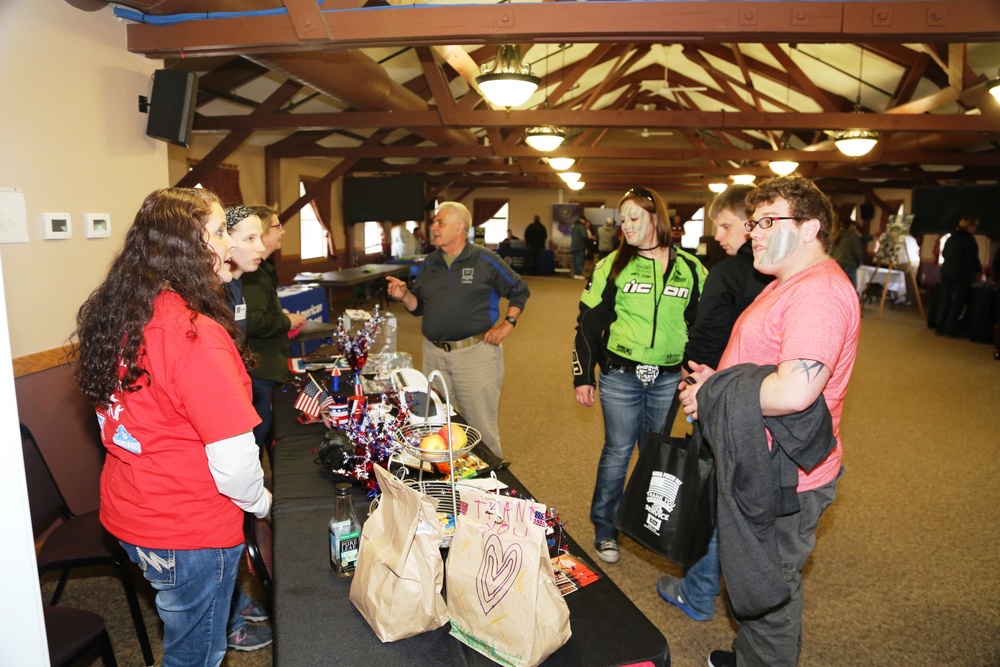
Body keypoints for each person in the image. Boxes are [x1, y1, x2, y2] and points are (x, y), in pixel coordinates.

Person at [73, 188, 272, 667]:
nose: (231, 243)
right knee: (197, 653)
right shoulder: (193, 334)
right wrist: (261, 505)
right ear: (187, 246)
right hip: (187, 529)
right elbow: (234, 461)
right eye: (222, 231)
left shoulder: (125, 310)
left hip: (131, 512)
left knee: (183, 627)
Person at [679, 175, 861, 667]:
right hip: (763, 459)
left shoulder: (817, 293)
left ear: (809, 229)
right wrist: (719, 377)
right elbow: (768, 365)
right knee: (757, 576)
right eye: (753, 222)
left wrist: (714, 391)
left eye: (766, 222)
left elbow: (796, 391)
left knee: (769, 589)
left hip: (786, 475)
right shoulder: (789, 281)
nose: (753, 232)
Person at [655, 184, 772, 622]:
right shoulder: (785, 277)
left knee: (715, 498)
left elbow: (704, 340)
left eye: (725, 226)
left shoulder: (725, 273)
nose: (718, 236)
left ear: (751, 223)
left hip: (720, 397)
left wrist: (689, 384)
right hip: (766, 403)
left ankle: (699, 591)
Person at [572, 186, 707, 565]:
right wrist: (583, 376)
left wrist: (695, 369)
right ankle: (604, 527)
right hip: (620, 376)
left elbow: (703, 325)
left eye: (635, 218)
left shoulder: (691, 269)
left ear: (655, 219)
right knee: (617, 452)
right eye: (622, 219)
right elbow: (586, 323)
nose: (626, 226)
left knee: (654, 456)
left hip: (667, 379)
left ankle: (645, 525)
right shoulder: (611, 265)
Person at [385, 201, 530, 458]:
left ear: (460, 227)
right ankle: (447, 484)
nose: (434, 227)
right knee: (436, 424)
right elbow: (418, 306)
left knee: (480, 428)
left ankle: (490, 489)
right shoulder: (430, 262)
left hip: (474, 356)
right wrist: (404, 294)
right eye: (434, 222)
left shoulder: (485, 259)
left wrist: (508, 325)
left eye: (440, 222)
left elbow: (519, 290)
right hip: (434, 355)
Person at [222, 205, 273, 651]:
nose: (261, 247)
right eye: (251, 238)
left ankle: (237, 600)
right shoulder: (211, 294)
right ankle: (229, 617)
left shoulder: (237, 283)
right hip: (218, 420)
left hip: (235, 403)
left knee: (235, 523)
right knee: (226, 521)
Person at [242, 205, 308, 456]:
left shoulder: (263, 269)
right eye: (277, 226)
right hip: (261, 367)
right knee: (258, 433)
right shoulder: (252, 275)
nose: (282, 232)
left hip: (267, 363)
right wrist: (286, 322)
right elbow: (254, 322)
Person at [934, 215, 981, 337]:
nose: (976, 228)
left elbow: (944, 253)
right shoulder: (969, 240)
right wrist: (977, 271)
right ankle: (949, 330)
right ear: (969, 226)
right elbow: (972, 259)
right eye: (975, 226)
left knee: (945, 300)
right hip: (960, 273)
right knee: (956, 302)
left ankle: (940, 327)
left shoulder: (951, 238)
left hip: (946, 270)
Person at [831, 218, 863, 289]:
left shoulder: (836, 235)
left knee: (838, 289)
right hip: (850, 266)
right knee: (851, 290)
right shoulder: (853, 237)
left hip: (837, 265)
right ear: (850, 226)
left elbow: (831, 251)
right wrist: (858, 263)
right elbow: (857, 253)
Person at [570, 215, 590, 279]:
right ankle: (578, 273)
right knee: (579, 260)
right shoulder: (581, 227)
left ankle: (575, 274)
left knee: (576, 260)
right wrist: (588, 239)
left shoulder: (574, 227)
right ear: (582, 220)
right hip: (580, 246)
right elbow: (584, 236)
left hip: (574, 246)